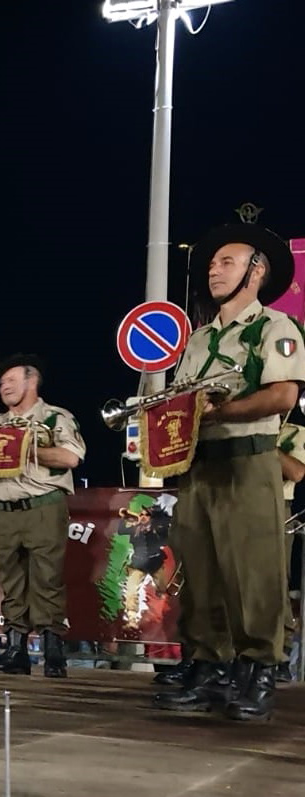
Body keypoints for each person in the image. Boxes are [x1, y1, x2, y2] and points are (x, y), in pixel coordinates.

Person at [152, 222, 304, 721]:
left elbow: (282, 395)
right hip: (198, 466)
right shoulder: (196, 340)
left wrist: (215, 411)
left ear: (256, 271)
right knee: (199, 570)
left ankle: (257, 667)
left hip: (248, 459)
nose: (214, 270)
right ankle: (207, 664)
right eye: (214, 263)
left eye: (228, 262)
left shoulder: (275, 328)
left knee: (253, 571)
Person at [0, 354, 85, 679]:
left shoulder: (54, 418)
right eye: (2, 382)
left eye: (11, 380)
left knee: (47, 579)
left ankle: (53, 652)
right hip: (4, 511)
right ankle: (16, 650)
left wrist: (23, 448)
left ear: (31, 381)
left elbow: (70, 457)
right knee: (11, 582)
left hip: (42, 506)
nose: (3, 386)